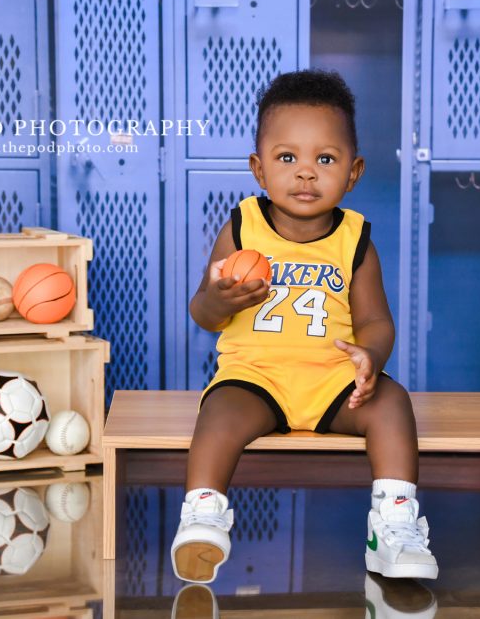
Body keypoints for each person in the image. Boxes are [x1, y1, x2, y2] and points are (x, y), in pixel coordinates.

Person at [171, 69, 438, 584]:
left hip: (334, 382)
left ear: (354, 171)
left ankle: (394, 525)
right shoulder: (243, 226)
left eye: (326, 159)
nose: (306, 173)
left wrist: (371, 359)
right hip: (256, 377)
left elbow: (377, 320)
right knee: (219, 410)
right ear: (259, 168)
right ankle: (203, 515)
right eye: (287, 158)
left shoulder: (355, 240)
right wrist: (217, 297)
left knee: (393, 401)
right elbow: (203, 314)